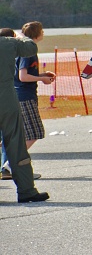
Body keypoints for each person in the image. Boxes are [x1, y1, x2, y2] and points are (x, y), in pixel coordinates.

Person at [0, 27, 49, 203]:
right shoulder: (8, 43)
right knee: (16, 144)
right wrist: (21, 36)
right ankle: (26, 190)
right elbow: (30, 48)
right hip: (6, 100)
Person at [15, 22, 55, 156]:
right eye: (42, 30)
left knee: (19, 132)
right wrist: (42, 79)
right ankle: (11, 162)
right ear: (36, 33)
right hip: (24, 96)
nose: (43, 33)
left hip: (21, 95)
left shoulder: (25, 49)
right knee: (34, 132)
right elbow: (23, 76)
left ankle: (10, 161)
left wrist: (42, 75)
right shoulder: (28, 51)